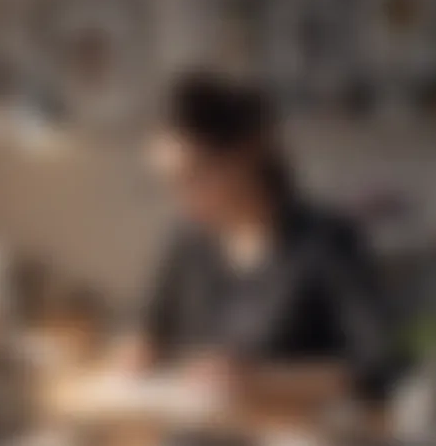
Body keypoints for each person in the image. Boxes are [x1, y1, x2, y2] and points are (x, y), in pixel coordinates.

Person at [121, 72, 398, 407]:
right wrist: (139, 349)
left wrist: (263, 381)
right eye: (170, 183)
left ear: (246, 156)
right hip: (197, 437)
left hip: (302, 442)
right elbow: (150, 327)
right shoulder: (185, 241)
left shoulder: (326, 241)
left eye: (194, 176)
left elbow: (382, 367)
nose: (181, 198)